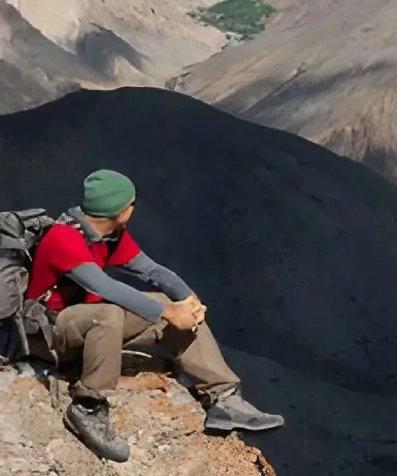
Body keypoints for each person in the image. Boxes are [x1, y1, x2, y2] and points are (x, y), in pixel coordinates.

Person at [25, 169, 283, 461]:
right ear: (123, 210)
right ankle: (88, 406)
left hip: (84, 326)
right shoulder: (64, 237)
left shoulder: (109, 237)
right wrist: (169, 312)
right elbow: (103, 286)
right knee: (109, 313)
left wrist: (188, 301)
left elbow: (152, 271)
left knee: (163, 303)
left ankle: (223, 398)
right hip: (48, 335)